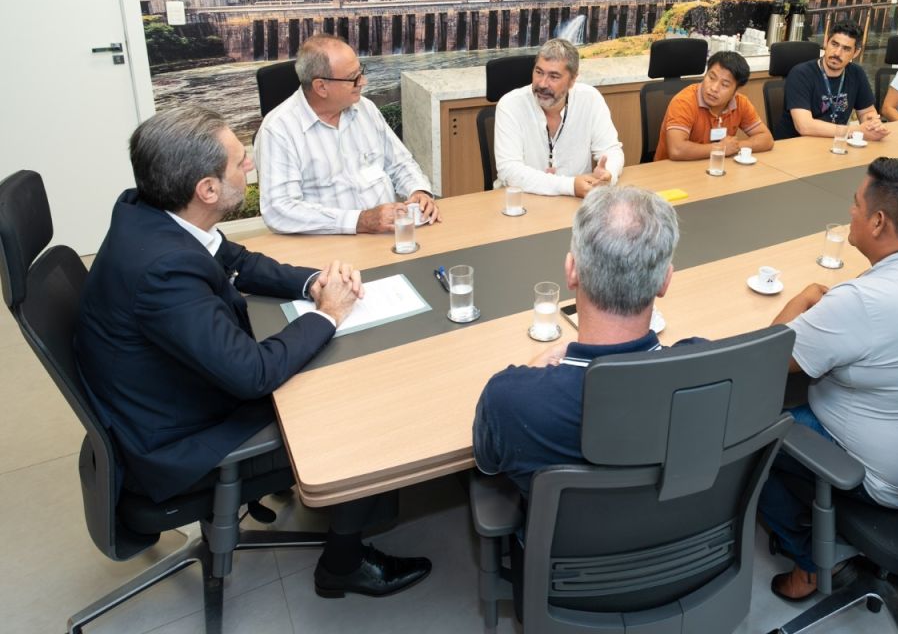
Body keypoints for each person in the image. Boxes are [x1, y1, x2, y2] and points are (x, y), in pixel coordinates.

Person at [76, 107, 431, 599]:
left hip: (159, 395)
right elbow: (252, 374)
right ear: (207, 190)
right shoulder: (164, 271)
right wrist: (328, 314)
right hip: (179, 436)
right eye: (241, 162)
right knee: (360, 403)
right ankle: (344, 564)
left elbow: (235, 259)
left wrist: (313, 283)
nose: (251, 169)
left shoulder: (151, 211)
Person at [758, 157, 898, 601]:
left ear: (879, 222)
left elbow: (763, 359)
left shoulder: (864, 302)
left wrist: (805, 297)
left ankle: (808, 561)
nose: (851, 212)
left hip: (888, 478)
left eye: (856, 204)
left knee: (745, 433)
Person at [472, 186, 698, 497]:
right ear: (665, 281)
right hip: (678, 536)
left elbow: (488, 464)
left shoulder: (509, 398)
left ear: (572, 270)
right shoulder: (706, 371)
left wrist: (532, 374)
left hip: (560, 544)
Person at [256, 34, 440, 234]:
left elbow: (401, 163)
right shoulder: (278, 129)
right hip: (329, 247)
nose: (363, 81)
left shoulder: (365, 108)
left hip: (387, 236)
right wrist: (359, 221)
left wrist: (418, 191)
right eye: (353, 78)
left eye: (360, 72)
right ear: (321, 87)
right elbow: (279, 209)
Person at [493, 38, 624, 197]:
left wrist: (608, 174)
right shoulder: (510, 105)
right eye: (539, 72)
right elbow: (510, 171)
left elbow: (611, 150)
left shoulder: (590, 99)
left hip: (575, 203)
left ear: (572, 80)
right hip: (522, 202)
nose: (542, 84)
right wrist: (569, 186)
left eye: (553, 76)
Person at [776, 21, 890, 141]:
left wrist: (873, 123)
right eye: (834, 44)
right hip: (797, 145)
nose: (837, 53)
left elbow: (866, 111)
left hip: (836, 142)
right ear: (826, 42)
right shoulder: (801, 74)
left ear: (856, 52)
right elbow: (804, 126)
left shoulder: (856, 73)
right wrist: (855, 131)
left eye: (846, 49)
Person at [655, 50, 775, 161]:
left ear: (736, 90)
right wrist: (720, 148)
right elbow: (677, 150)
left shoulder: (740, 103)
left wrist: (735, 146)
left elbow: (767, 139)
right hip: (671, 173)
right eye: (711, 78)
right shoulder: (684, 101)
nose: (714, 88)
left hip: (713, 167)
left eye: (725, 84)